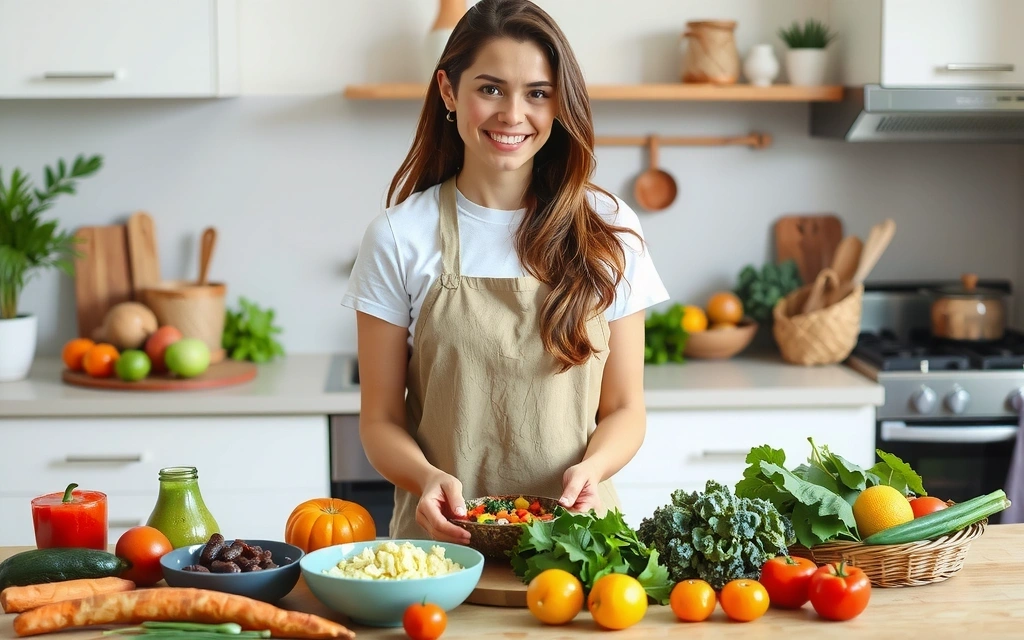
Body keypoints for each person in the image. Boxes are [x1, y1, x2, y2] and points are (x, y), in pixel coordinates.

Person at [341, 0, 669, 543]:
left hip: (578, 542)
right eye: (490, 88)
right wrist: (424, 478)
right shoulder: (399, 236)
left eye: (537, 93)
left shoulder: (606, 226)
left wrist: (595, 468)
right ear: (449, 91)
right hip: (444, 547)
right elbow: (379, 421)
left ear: (559, 102)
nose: (513, 114)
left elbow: (626, 409)